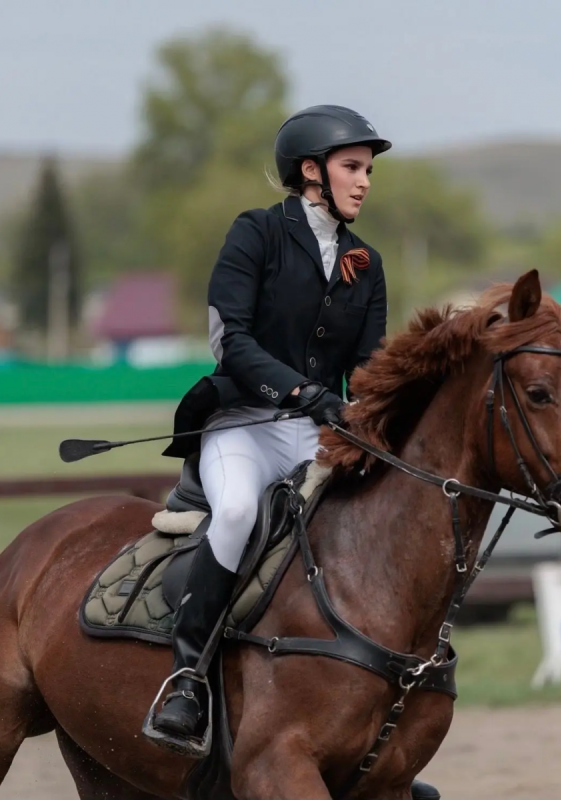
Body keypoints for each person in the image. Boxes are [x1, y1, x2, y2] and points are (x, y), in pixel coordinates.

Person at [150, 105, 441, 800]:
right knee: (240, 512)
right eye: (352, 167)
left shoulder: (363, 263)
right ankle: (187, 680)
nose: (364, 181)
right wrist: (306, 392)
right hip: (242, 423)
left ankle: (376, 729)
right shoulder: (256, 233)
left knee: (370, 528)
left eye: (368, 170)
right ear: (310, 172)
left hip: (317, 432)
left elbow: (369, 365)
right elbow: (231, 339)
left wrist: (382, 416)